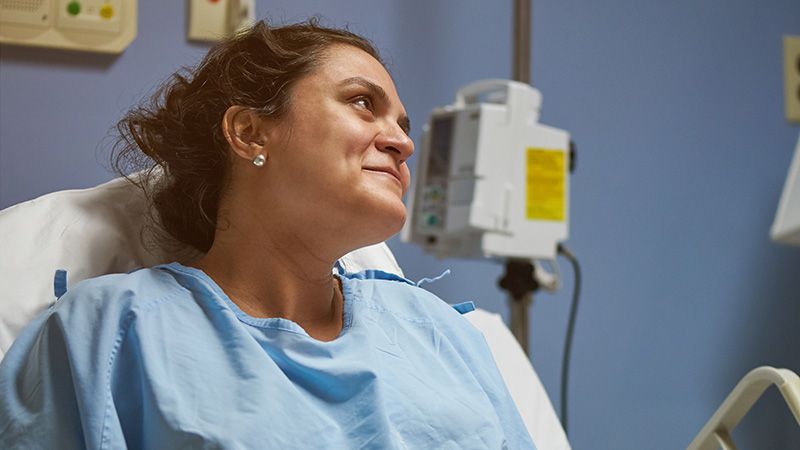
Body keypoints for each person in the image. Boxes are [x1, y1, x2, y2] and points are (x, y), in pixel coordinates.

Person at [0, 19, 536, 449]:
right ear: (250, 131)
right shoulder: (111, 330)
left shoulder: (441, 333)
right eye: (362, 102)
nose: (402, 141)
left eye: (401, 121)